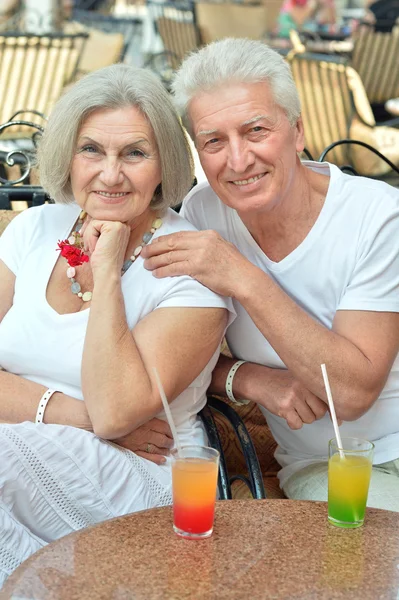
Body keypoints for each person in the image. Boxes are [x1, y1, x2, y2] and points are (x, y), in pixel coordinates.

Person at [0, 63, 233, 586]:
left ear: (162, 165)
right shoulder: (35, 230)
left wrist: (107, 272)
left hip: (143, 477)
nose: (110, 174)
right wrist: (70, 414)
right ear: (67, 154)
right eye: (92, 150)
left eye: (134, 152)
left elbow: (116, 415)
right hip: (28, 451)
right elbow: (95, 417)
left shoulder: (189, 264)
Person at [142, 38, 399, 511]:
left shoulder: (376, 217)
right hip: (329, 465)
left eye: (255, 130)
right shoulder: (202, 212)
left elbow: (353, 391)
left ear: (298, 131)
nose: (238, 161)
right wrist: (251, 379)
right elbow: (163, 355)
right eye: (213, 141)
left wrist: (242, 276)